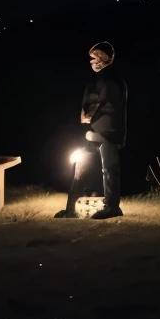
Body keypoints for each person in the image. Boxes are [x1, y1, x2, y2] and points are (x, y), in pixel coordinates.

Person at [55, 40, 127, 219]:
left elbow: (101, 104)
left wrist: (88, 116)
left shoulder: (109, 79)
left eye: (95, 57)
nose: (92, 61)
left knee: (104, 168)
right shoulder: (108, 78)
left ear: (103, 57)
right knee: (92, 166)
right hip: (102, 130)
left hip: (105, 131)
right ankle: (75, 208)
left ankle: (109, 207)